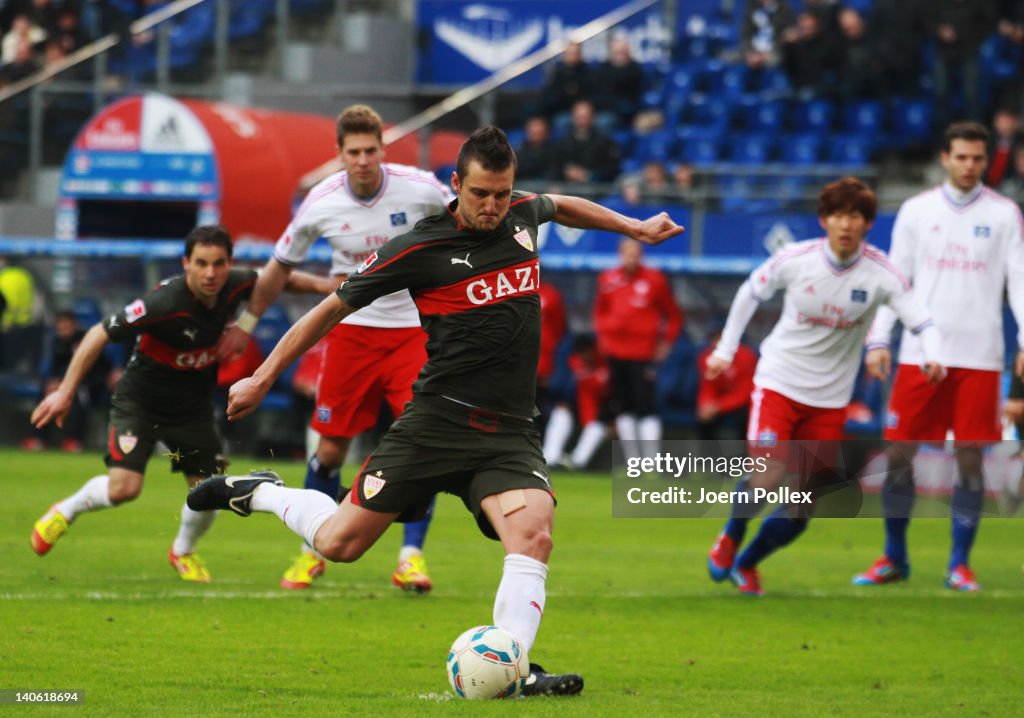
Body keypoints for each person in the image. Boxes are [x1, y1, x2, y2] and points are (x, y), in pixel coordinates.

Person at [187, 126, 684, 695]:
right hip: (435, 424)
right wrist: (262, 375)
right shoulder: (419, 248)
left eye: (502, 193)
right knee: (338, 544)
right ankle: (260, 493)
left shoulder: (520, 214)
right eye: (480, 195)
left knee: (533, 536)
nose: (493, 206)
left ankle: (514, 668)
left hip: (507, 432)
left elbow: (561, 205)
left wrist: (634, 227)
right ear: (456, 186)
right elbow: (328, 311)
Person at [216, 105, 454, 592]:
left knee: (424, 447)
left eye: (371, 151)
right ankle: (312, 551)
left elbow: (466, 224)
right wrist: (247, 321)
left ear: (383, 150)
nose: (364, 160)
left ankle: (410, 558)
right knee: (329, 449)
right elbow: (279, 267)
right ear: (339, 155)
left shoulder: (424, 189)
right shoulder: (321, 203)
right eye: (354, 152)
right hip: (350, 332)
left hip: (413, 331)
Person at [28, 225, 328, 582]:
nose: (210, 273)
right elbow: (98, 333)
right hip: (140, 402)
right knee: (124, 488)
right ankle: (65, 510)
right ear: (186, 263)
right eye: (201, 263)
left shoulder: (234, 283)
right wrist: (64, 392)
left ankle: (182, 551)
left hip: (192, 409)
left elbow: (278, 279)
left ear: (228, 264)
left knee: (210, 490)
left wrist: (331, 287)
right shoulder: (164, 304)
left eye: (219, 263)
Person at [706, 177, 944, 596]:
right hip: (778, 382)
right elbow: (749, 293)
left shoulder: (882, 274)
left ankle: (748, 562)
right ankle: (730, 536)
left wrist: (932, 353)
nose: (846, 224)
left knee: (802, 505)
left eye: (855, 215)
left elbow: (920, 318)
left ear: (867, 223)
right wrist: (726, 350)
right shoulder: (795, 260)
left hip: (829, 400)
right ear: (824, 219)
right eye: (838, 214)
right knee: (768, 473)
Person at [853, 122, 1024, 592]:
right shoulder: (916, 210)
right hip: (919, 353)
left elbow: (1019, 282)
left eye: (978, 158)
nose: (970, 166)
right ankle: (893, 557)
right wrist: (879, 338)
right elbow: (895, 278)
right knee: (900, 451)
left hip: (981, 355)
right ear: (945, 158)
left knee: (970, 459)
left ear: (986, 161)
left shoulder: (1006, 213)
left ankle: (959, 564)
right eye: (962, 157)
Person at [593, 238, 682, 463]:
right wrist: (603, 336)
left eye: (635, 254)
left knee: (646, 406)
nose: (631, 258)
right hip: (615, 354)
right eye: (627, 254)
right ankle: (634, 461)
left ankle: (651, 462)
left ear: (641, 255)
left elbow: (673, 316)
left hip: (644, 354)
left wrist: (666, 343)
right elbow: (600, 312)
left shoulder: (655, 280)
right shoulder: (608, 278)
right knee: (623, 406)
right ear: (620, 254)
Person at [23, 309, 121, 452]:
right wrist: (54, 381)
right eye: (60, 326)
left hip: (92, 382)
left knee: (80, 395)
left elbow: (103, 365)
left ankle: (74, 440)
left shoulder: (86, 339)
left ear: (73, 324)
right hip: (67, 382)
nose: (62, 329)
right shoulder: (57, 342)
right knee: (45, 394)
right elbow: (55, 366)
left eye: (65, 325)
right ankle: (39, 439)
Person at [696, 327, 756, 441]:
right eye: (714, 340)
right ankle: (710, 457)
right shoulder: (706, 357)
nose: (717, 344)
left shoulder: (746, 356)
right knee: (704, 418)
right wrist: (706, 404)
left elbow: (745, 392)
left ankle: (745, 456)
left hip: (745, 402)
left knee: (746, 418)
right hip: (721, 400)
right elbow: (707, 385)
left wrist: (719, 406)